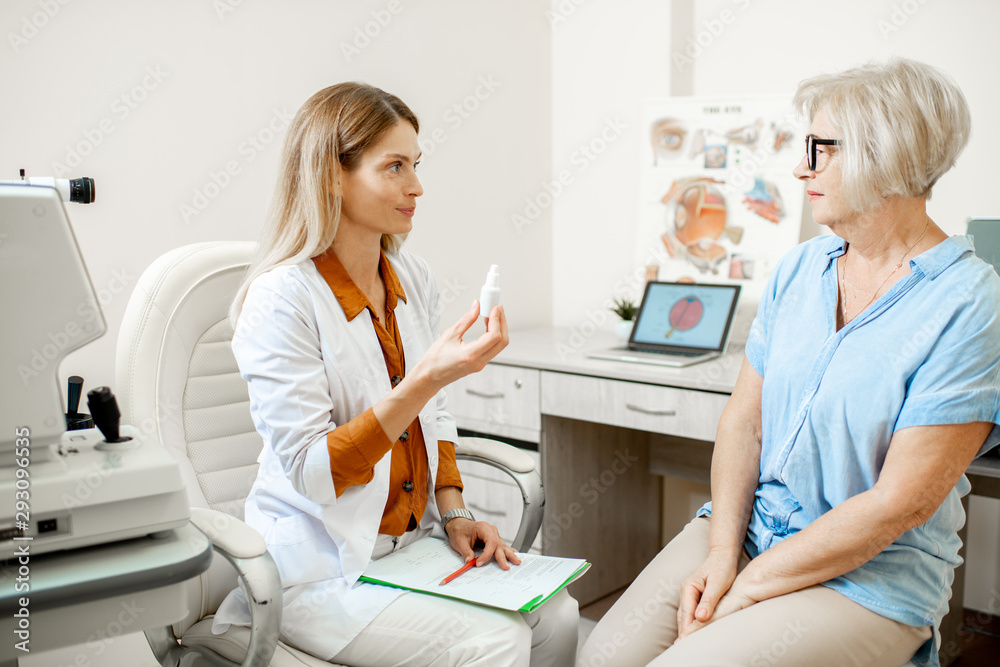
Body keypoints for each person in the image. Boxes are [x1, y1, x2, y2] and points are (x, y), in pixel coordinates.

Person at [578, 58, 1000, 667]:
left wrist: (745, 590)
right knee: (600, 659)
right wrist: (723, 553)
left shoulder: (968, 301)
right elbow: (743, 423)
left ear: (887, 154)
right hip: (750, 530)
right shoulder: (801, 269)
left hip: (869, 577)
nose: (802, 166)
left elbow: (898, 504)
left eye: (821, 149)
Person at [212, 82, 578, 666]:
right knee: (496, 638)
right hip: (323, 567)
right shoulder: (281, 298)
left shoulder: (410, 278)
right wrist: (425, 380)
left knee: (559, 614)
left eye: (417, 164)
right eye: (395, 167)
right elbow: (314, 474)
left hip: (410, 546)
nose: (417, 185)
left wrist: (454, 511)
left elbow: (435, 417)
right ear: (332, 176)